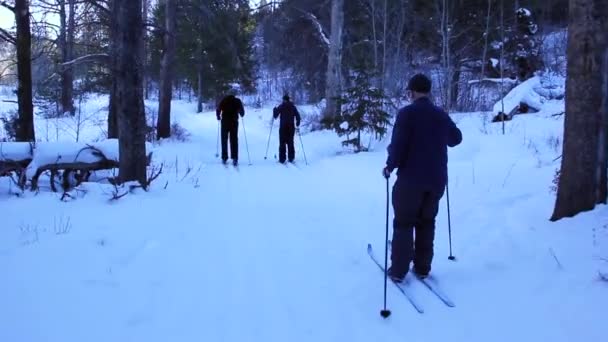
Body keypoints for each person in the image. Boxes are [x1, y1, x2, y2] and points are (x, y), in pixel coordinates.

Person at [382, 73, 462, 283]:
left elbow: (398, 145)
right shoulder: (440, 114)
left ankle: (399, 271)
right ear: (428, 91)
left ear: (412, 91)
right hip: (436, 181)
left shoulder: (406, 114)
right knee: (427, 222)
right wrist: (442, 125)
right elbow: (456, 139)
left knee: (404, 223)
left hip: (410, 180)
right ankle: (423, 267)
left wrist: (390, 166)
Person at [216, 93, 245, 166]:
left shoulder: (224, 100)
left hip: (225, 122)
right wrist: (240, 113)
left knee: (224, 139)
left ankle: (224, 157)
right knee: (234, 139)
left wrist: (218, 116)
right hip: (234, 122)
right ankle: (235, 158)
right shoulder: (237, 101)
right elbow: (242, 113)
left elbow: (218, 109)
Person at [273, 94, 301, 163]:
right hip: (291, 127)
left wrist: (274, 110)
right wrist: (297, 122)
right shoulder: (293, 106)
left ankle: (282, 159)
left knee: (282, 142)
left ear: (284, 100)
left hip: (283, 127)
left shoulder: (281, 106)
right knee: (290, 142)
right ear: (289, 99)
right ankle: (291, 158)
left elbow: (275, 116)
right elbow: (298, 115)